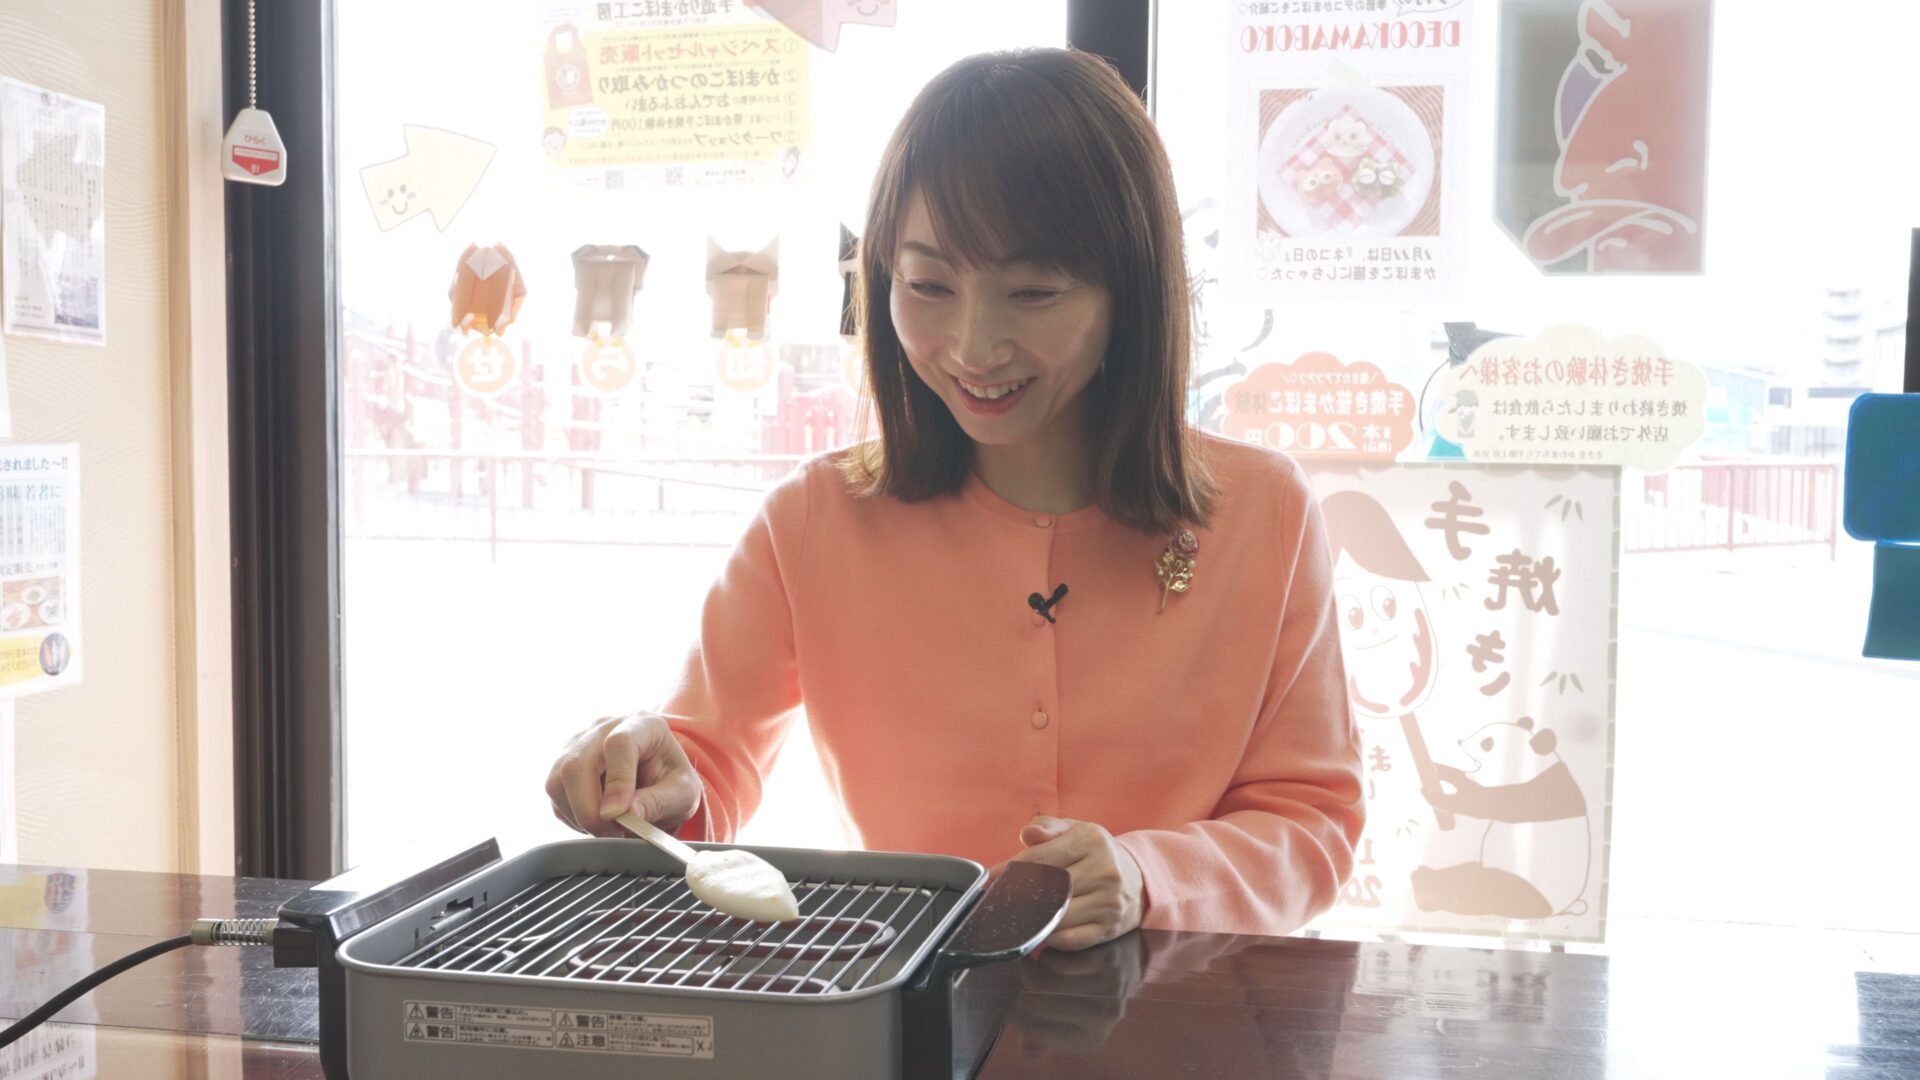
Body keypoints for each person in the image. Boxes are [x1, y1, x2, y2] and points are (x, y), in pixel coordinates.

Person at [547, 48, 1362, 950]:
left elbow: (1313, 822)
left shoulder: (1262, 513)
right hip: (906, 1003)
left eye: (1033, 292)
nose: (974, 346)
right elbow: (706, 766)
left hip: (1182, 1006)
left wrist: (1147, 877)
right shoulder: (813, 521)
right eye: (928, 285)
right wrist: (649, 779)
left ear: (1131, 290)